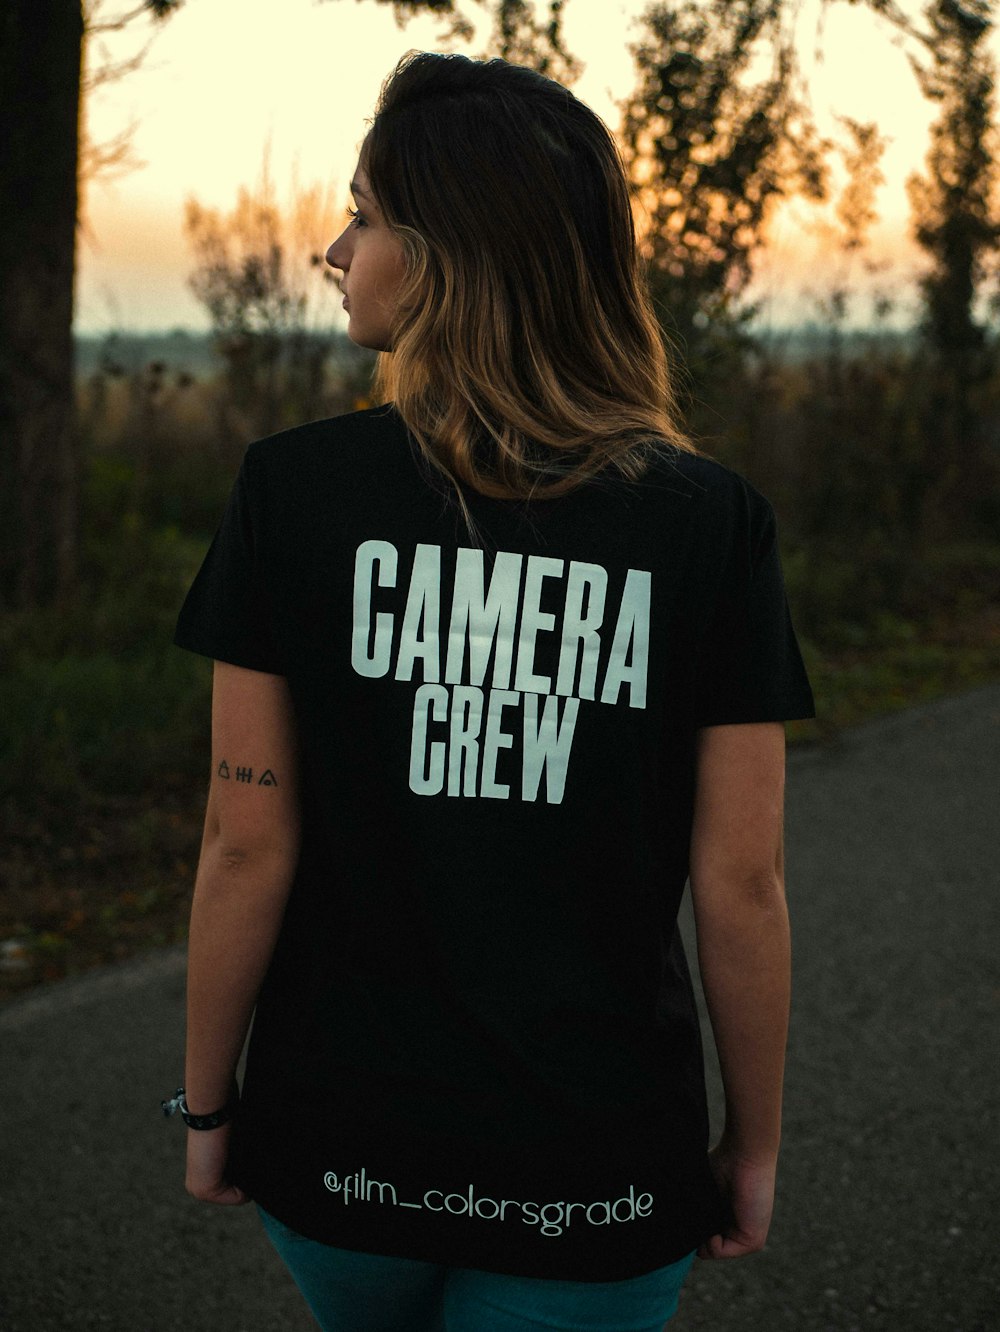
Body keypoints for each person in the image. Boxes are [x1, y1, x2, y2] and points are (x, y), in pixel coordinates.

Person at [167, 49, 815, 1332]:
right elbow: (741, 883)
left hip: (339, 1148)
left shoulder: (292, 494)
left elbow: (246, 842)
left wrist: (207, 1109)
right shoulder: (708, 526)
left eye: (362, 213)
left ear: (446, 253)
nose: (333, 249)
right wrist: (752, 1146)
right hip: (594, 1178)